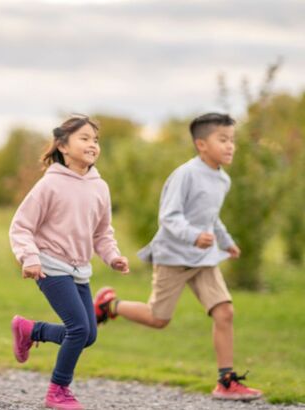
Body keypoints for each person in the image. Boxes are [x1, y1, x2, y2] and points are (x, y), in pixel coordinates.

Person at [93, 113, 263, 401]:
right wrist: (193, 235)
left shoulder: (222, 179)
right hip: (173, 257)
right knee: (158, 318)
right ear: (201, 144)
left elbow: (211, 217)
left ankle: (226, 381)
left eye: (232, 140)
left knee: (225, 312)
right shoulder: (186, 174)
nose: (230, 146)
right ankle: (110, 305)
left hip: (204, 260)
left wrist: (226, 241)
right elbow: (169, 217)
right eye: (223, 140)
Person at [9, 115, 130, 410]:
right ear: (63, 146)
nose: (92, 144)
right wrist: (30, 258)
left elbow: (102, 233)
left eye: (95, 140)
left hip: (79, 269)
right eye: (84, 138)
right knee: (78, 329)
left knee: (88, 335)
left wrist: (112, 256)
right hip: (49, 265)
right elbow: (21, 226)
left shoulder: (100, 187)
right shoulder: (49, 185)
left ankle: (30, 330)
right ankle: (58, 390)